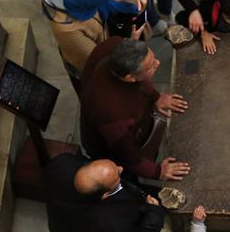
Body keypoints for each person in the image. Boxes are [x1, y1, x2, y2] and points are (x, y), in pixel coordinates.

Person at [80, 37, 190, 182]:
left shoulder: (115, 45)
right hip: (110, 147)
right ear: (130, 78)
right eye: (151, 66)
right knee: (125, 176)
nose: (158, 63)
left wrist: (155, 97)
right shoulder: (113, 114)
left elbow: (141, 79)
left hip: (129, 126)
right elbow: (126, 156)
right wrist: (157, 171)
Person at [38, 0, 147, 91]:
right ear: (90, 4)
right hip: (90, 69)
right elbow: (102, 60)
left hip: (103, 36)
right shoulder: (67, 29)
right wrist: (131, 43)